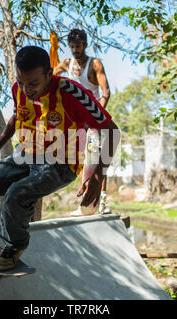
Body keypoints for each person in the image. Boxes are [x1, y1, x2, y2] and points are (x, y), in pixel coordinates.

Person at [0, 46, 120, 271]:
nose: (27, 89)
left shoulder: (71, 93)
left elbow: (112, 131)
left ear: (49, 74)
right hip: (26, 154)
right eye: (22, 81)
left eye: (34, 84)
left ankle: (15, 245)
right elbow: (16, 117)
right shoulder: (20, 88)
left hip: (61, 163)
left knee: (16, 194)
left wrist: (97, 174)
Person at [54, 28, 112, 215]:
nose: (75, 50)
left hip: (94, 118)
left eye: (78, 46)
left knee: (97, 160)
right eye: (72, 46)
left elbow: (106, 92)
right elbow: (49, 77)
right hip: (76, 121)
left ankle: (102, 201)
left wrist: (97, 115)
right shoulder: (67, 64)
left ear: (85, 45)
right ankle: (88, 200)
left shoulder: (94, 64)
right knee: (79, 160)